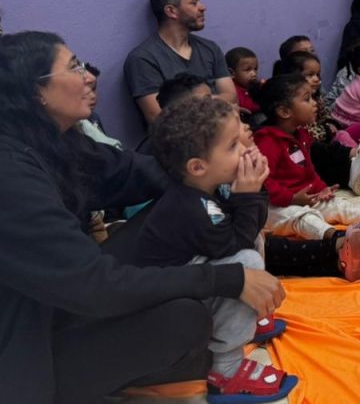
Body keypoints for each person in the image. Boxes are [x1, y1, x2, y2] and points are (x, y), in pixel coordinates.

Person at [0, 31, 284, 404]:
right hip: (28, 346)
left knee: (186, 207)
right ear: (36, 91)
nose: (89, 76)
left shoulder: (56, 140)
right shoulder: (11, 173)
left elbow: (139, 173)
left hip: (68, 305)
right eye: (74, 67)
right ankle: (216, 363)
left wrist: (217, 165)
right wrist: (228, 279)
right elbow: (91, 284)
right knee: (185, 316)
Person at [134, 97, 297, 400]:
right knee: (246, 263)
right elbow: (235, 247)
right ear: (198, 166)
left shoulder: (204, 190)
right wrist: (249, 194)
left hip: (190, 282)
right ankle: (225, 368)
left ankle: (244, 321)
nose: (245, 149)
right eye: (233, 146)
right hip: (168, 312)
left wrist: (251, 193)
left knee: (253, 245)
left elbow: (245, 231)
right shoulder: (191, 206)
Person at [253, 74, 360, 280]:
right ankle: (341, 240)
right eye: (307, 99)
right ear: (284, 111)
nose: (315, 103)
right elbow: (264, 182)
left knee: (337, 205)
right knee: (304, 218)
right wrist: (292, 198)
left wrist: (322, 188)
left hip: (303, 197)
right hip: (275, 207)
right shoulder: (268, 141)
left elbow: (310, 170)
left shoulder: (300, 135)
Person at [123, 0, 237, 125]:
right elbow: (159, 118)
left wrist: (191, 104)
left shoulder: (210, 48)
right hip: (181, 139)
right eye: (194, 3)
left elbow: (233, 97)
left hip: (225, 132)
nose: (203, 7)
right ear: (171, 11)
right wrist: (216, 102)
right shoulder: (143, 59)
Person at [226, 46, 261, 117]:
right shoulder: (232, 90)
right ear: (231, 73)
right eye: (248, 70)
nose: (254, 74)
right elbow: (249, 107)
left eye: (255, 69)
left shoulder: (252, 85)